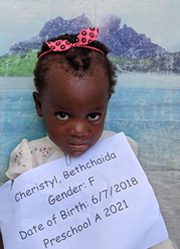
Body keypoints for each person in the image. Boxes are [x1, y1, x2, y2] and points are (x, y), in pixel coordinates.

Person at [0, 28, 176, 249]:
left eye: (93, 115)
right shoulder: (29, 158)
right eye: (63, 115)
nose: (79, 130)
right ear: (39, 106)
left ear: (106, 107)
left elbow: (139, 215)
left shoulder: (119, 151)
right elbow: (15, 223)